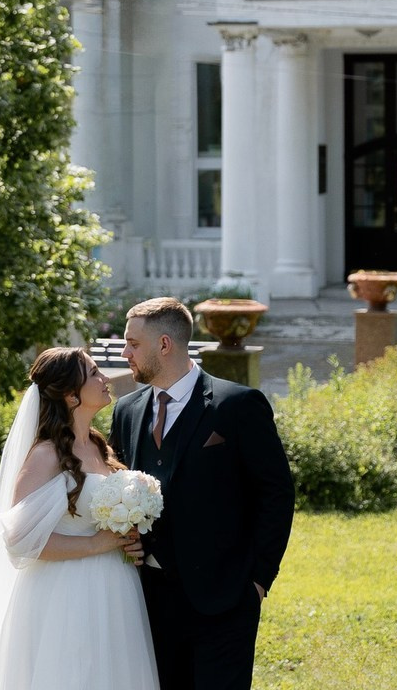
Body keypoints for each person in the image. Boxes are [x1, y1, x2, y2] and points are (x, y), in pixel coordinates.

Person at [108, 296, 295, 690]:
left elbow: (276, 494)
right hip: (147, 599)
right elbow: (117, 485)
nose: (125, 352)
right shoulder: (125, 410)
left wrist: (259, 579)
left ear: (165, 345)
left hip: (224, 600)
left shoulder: (238, 405)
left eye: (133, 344)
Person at [0, 346, 162, 690]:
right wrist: (97, 543)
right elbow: (20, 540)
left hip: (115, 586)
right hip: (67, 594)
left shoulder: (98, 446)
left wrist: (128, 537)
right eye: (94, 373)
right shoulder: (46, 454)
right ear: (70, 395)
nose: (105, 379)